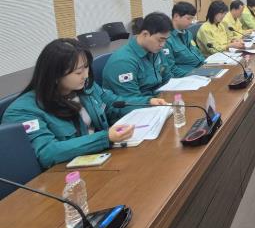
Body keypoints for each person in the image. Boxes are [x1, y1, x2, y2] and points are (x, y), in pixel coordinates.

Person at [2, 39, 167, 168]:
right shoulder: (24, 111)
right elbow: (47, 153)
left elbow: (112, 103)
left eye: (87, 68)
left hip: (103, 159)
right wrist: (105, 138)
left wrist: (147, 102)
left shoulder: (86, 87)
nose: (86, 75)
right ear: (54, 75)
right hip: (65, 174)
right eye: (78, 72)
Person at [102, 12, 173, 98]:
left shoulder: (156, 51)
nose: (163, 45)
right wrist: (156, 101)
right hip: (141, 103)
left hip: (159, 98)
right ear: (145, 34)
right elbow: (131, 101)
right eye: (160, 40)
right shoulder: (123, 62)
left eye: (165, 40)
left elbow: (167, 78)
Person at [164, 1, 205, 77]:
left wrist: (205, 64)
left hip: (200, 69)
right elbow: (171, 68)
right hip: (186, 76)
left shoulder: (187, 33)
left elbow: (197, 52)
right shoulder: (166, 38)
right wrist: (192, 75)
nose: (191, 22)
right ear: (176, 16)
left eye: (192, 19)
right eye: (188, 18)